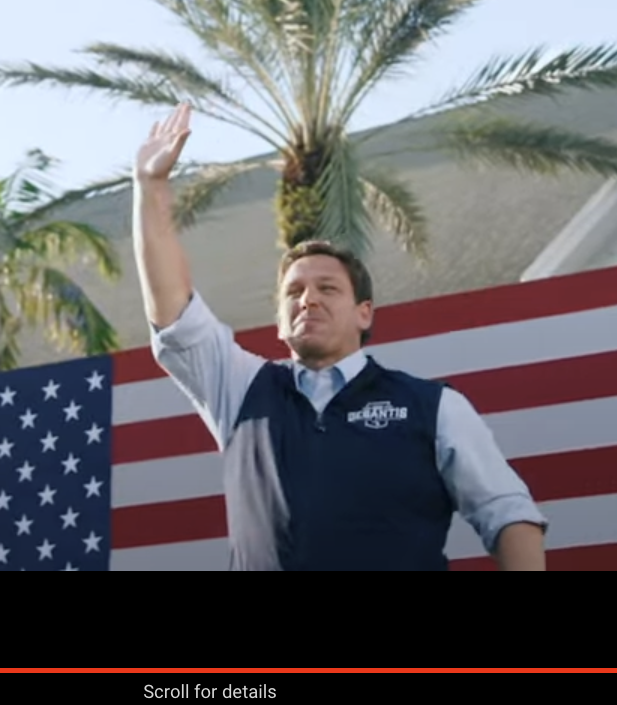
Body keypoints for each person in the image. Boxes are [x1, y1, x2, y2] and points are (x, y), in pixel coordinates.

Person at [133, 103, 550, 570]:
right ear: (278, 321)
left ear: (363, 313)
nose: (308, 299)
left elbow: (508, 512)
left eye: (327, 288)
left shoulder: (432, 407)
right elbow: (173, 310)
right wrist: (150, 188)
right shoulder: (241, 390)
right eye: (294, 291)